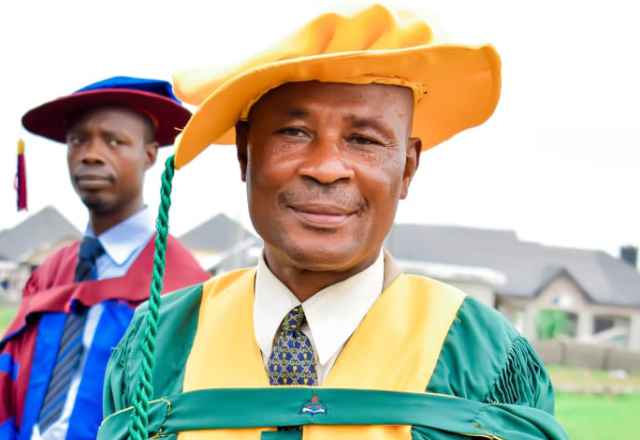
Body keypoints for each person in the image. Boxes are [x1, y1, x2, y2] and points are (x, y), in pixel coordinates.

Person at [100, 6, 568, 440]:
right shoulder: (159, 344)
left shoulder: (481, 357)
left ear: (407, 169)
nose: (326, 168)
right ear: (245, 152)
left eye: (364, 140)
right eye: (295, 132)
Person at [0, 76, 209, 439]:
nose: (91, 155)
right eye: (78, 140)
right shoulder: (49, 274)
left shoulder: (183, 286)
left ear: (149, 155)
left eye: (114, 141)